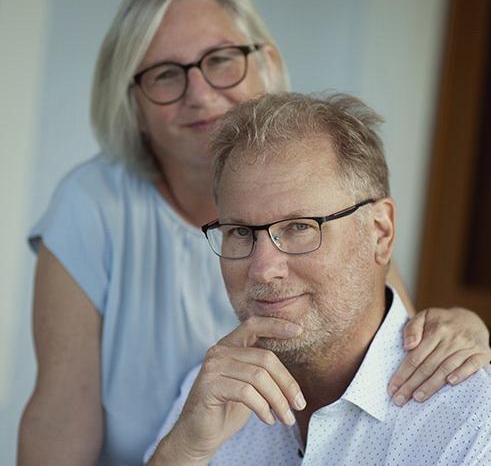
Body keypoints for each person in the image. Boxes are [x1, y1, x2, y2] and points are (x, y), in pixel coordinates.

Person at [17, 0, 491, 465]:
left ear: (266, 63)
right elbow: (60, 415)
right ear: (133, 102)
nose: (200, 93)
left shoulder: (338, 197)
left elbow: (389, 344)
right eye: (165, 74)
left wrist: (464, 330)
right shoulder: (93, 206)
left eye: (220, 59)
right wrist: (183, 446)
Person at [146, 92, 491, 465]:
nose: (263, 269)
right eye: (241, 232)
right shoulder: (209, 393)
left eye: (299, 227)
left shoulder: (473, 425)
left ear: (380, 232)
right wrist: (184, 451)